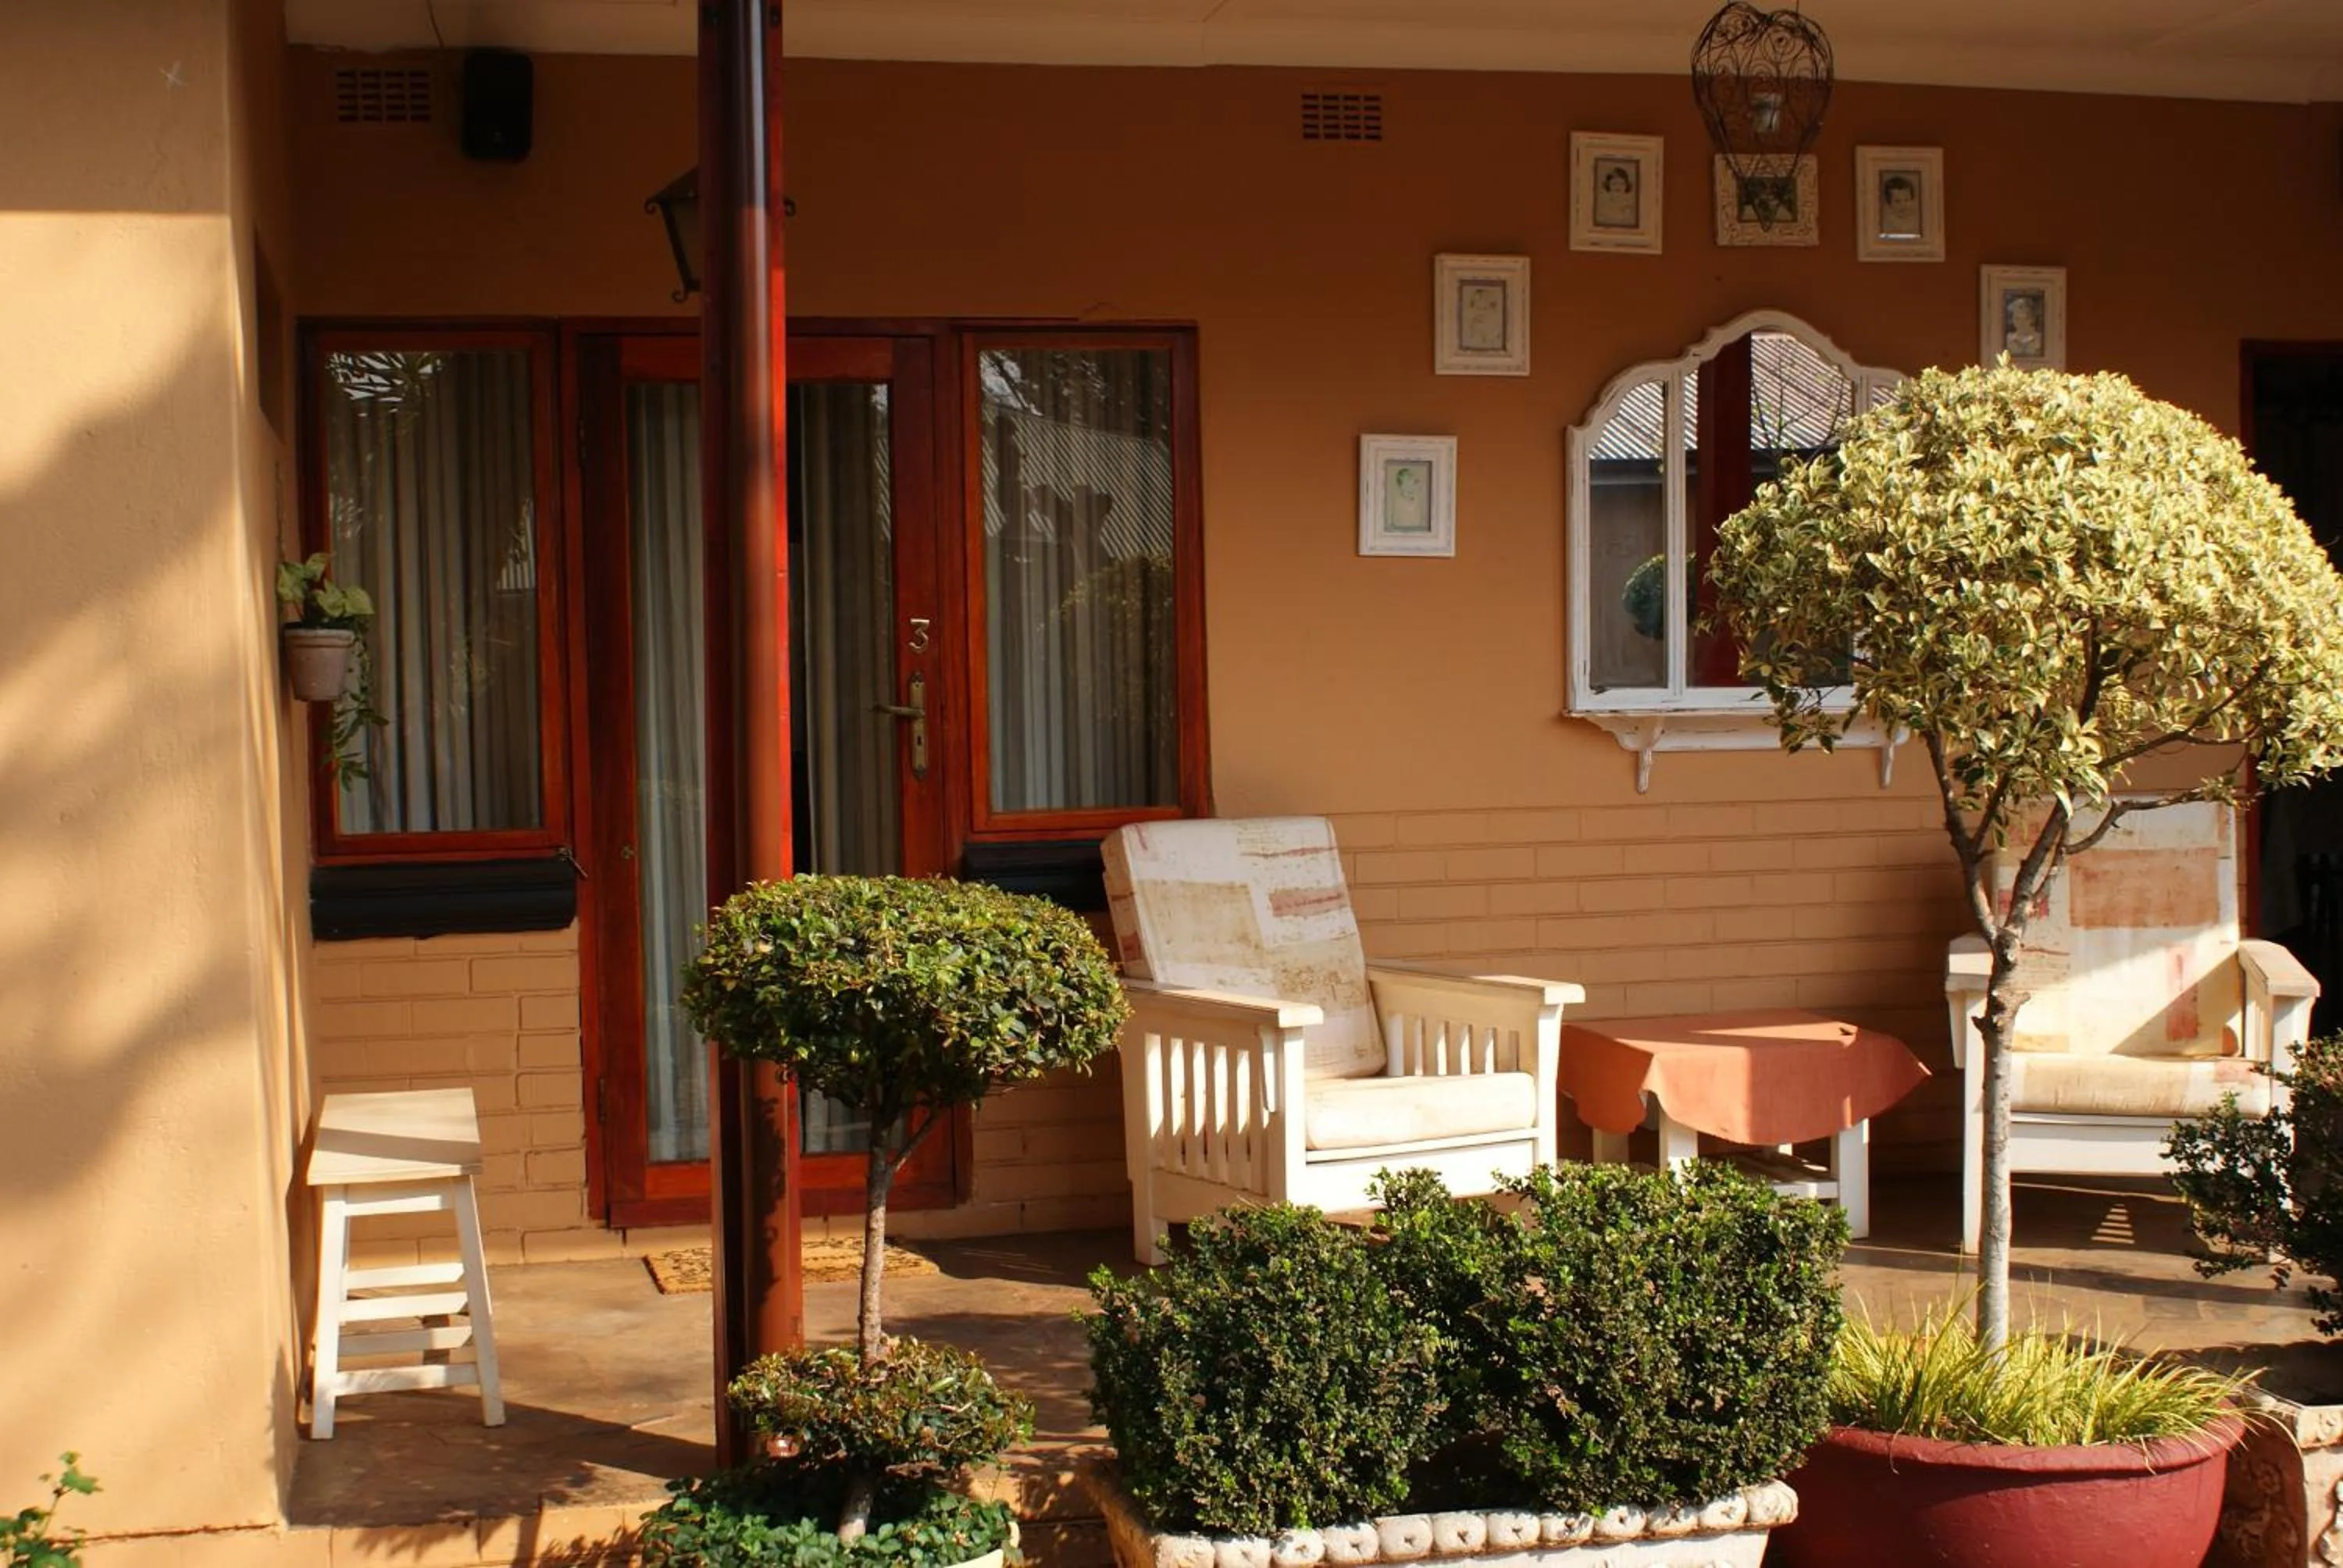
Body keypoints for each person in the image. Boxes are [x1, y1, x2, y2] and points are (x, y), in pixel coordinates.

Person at [1594, 161, 1638, 229]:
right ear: (1608, 185)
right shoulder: (1604, 204)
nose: (1618, 187)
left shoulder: (1629, 204)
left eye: (1621, 184)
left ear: (1627, 185)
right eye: (1614, 184)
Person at [1878, 172, 1920, 238]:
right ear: (1889, 203)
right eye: (1897, 201)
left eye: (1907, 200)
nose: (1903, 205)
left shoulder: (1918, 223)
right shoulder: (1886, 225)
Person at [2005, 293, 2045, 359]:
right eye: (2017, 318)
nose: (2020, 322)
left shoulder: (2041, 339)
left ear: (2032, 318)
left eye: (2025, 318)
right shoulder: (2007, 339)